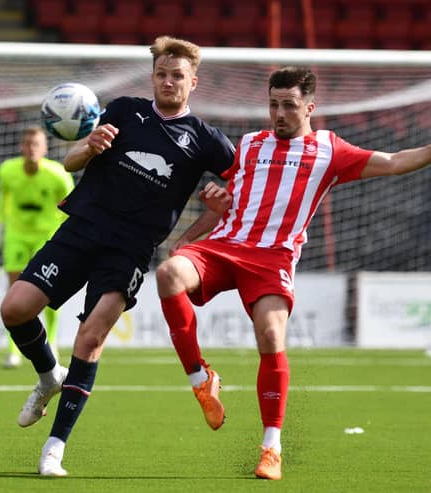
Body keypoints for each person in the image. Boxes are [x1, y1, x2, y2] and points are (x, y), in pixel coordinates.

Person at [156, 66, 431, 481]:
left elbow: (393, 162)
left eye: (288, 105)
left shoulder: (329, 150)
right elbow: (229, 203)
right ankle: (200, 378)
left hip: (273, 259)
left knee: (270, 335)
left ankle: (271, 449)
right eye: (273, 104)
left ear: (309, 108)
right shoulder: (248, 145)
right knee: (168, 273)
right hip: (224, 246)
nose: (279, 113)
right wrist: (192, 234)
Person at [0, 35, 235, 476]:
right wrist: (90, 145)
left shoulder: (206, 140)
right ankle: (49, 375)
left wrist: (205, 223)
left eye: (177, 76)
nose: (168, 82)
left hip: (129, 250)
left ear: (193, 82)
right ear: (152, 77)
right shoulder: (124, 110)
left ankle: (54, 449)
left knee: (91, 337)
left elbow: (243, 190)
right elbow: (70, 162)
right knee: (14, 308)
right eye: (162, 74)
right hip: (81, 229)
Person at [0, 126, 74, 369]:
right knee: (14, 290)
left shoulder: (58, 174)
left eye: (36, 143)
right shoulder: (7, 170)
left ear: (45, 148)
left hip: (46, 237)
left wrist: (65, 234)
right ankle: (13, 350)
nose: (31, 148)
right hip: (16, 235)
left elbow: (71, 205)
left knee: (48, 292)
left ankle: (53, 343)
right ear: (21, 147)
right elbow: (3, 199)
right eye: (27, 143)